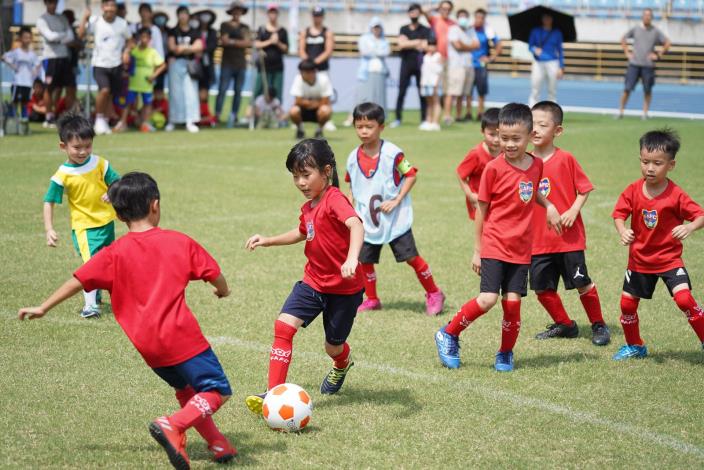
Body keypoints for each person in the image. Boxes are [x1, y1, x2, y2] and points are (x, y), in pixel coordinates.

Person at [20, 172, 237, 468]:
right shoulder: (178, 242)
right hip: (180, 337)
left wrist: (44, 307)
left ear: (119, 215)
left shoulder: (113, 253)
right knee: (217, 390)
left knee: (186, 390)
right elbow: (214, 275)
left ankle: (218, 443)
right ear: (155, 205)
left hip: (148, 347)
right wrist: (222, 291)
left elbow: (78, 280)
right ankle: (172, 425)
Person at [434, 103, 562, 372]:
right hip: (494, 243)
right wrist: (477, 249)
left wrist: (549, 206)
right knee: (488, 299)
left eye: (516, 139)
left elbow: (530, 191)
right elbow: (481, 209)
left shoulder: (536, 164)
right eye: (504, 138)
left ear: (529, 136)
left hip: (521, 248)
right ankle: (449, 333)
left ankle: (505, 353)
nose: (509, 144)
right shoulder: (493, 168)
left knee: (513, 305)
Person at [244, 139, 365, 414]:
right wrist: (269, 239)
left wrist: (351, 258)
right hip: (313, 282)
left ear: (326, 171)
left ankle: (341, 364)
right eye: (295, 176)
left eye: (306, 175)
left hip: (344, 290)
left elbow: (355, 224)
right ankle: (272, 395)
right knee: (283, 327)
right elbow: (302, 232)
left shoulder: (334, 199)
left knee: (333, 347)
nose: (300, 182)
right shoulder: (309, 207)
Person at [611, 129, 704, 360]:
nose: (650, 168)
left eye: (657, 163)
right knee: (627, 305)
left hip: (669, 260)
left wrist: (690, 227)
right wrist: (623, 230)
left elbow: (700, 215)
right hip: (639, 261)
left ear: (671, 165)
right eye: (645, 162)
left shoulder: (676, 195)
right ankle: (635, 346)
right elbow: (619, 214)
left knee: (684, 299)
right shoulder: (633, 190)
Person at [346, 102, 445, 315]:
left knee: (411, 258)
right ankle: (372, 299)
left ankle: (434, 293)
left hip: (395, 218)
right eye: (359, 126)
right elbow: (352, 185)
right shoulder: (352, 157)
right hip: (368, 221)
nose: (363, 131)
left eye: (369, 126)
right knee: (365, 261)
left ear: (381, 127)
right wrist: (350, 209)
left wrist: (397, 199)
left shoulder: (393, 154)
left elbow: (411, 175)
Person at [529, 101, 610, 346]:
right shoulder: (524, 162)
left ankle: (598, 324)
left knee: (581, 282)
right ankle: (565, 324)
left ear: (558, 131)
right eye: (531, 123)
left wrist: (573, 210)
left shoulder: (566, 159)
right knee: (542, 289)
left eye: (542, 125)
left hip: (568, 239)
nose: (535, 129)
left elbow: (584, 189)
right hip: (536, 241)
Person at [43, 114, 120, 318]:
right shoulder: (62, 174)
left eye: (87, 146)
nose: (83, 152)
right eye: (77, 147)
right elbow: (48, 201)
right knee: (91, 265)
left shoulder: (100, 164)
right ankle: (90, 306)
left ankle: (96, 297)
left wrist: (112, 191)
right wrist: (49, 228)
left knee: (106, 262)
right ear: (63, 146)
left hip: (106, 222)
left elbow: (118, 182)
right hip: (85, 227)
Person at [78, 0, 132, 135]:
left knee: (111, 94)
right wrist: (84, 18)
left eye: (112, 6)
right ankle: (98, 119)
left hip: (116, 64)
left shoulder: (122, 23)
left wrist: (126, 51)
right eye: (107, 5)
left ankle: (105, 122)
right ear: (102, 7)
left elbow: (131, 41)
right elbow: (80, 34)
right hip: (99, 63)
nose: (110, 8)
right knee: (104, 90)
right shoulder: (95, 21)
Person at [618, 9, 670, 120]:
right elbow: (623, 39)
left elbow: (667, 43)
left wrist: (658, 55)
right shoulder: (636, 29)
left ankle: (644, 113)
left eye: (649, 15)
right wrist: (627, 52)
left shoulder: (656, 31)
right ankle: (620, 111)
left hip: (648, 66)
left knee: (647, 90)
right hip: (634, 64)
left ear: (652, 17)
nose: (647, 17)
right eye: (645, 15)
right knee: (627, 89)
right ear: (642, 16)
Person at [116, 27, 166, 132]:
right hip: (133, 83)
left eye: (147, 37)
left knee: (147, 104)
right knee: (128, 103)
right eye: (142, 37)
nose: (144, 39)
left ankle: (145, 124)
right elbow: (125, 61)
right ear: (138, 38)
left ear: (150, 39)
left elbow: (162, 65)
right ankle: (123, 123)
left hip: (146, 84)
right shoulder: (133, 51)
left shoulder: (152, 52)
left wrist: (153, 76)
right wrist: (127, 51)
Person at [36, 0, 77, 128]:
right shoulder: (42, 19)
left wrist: (59, 38)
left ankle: (69, 117)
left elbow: (70, 36)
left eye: (54, 2)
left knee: (70, 87)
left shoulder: (62, 18)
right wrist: (62, 37)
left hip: (64, 57)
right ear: (45, 3)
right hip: (51, 57)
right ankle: (49, 117)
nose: (52, 5)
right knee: (49, 88)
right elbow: (50, 36)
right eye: (50, 2)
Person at [456, 107, 501, 221]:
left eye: (500, 134)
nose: (496, 139)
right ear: (482, 132)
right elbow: (460, 174)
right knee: (485, 234)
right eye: (491, 134)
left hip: (499, 200)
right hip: (480, 202)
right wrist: (470, 195)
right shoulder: (476, 154)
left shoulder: (506, 152)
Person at [391, 3, 430, 128]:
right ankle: (398, 118)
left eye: (416, 12)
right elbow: (401, 45)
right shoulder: (403, 28)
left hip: (420, 64)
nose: (414, 14)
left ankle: (424, 119)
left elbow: (425, 45)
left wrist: (409, 42)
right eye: (412, 12)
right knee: (401, 91)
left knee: (422, 93)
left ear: (420, 14)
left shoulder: (425, 29)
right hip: (406, 63)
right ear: (409, 14)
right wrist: (417, 42)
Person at [165, 5, 203, 133]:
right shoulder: (173, 31)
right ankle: (173, 120)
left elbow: (199, 46)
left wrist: (184, 48)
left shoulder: (194, 31)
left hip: (190, 64)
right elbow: (172, 48)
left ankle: (190, 121)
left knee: (191, 92)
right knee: (175, 93)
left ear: (188, 15)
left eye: (185, 13)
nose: (183, 16)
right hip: (175, 64)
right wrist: (188, 47)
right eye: (180, 13)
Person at [216, 1, 251, 127]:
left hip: (241, 64)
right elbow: (224, 41)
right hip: (227, 63)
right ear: (231, 12)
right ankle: (217, 115)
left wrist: (232, 41)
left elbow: (247, 43)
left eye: (239, 10)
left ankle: (234, 115)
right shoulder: (225, 25)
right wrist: (238, 42)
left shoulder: (245, 27)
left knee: (238, 91)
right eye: (235, 10)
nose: (237, 12)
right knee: (222, 90)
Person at [423, 1, 456, 124]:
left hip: (450, 60)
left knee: (448, 89)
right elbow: (424, 10)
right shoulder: (435, 20)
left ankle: (446, 116)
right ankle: (432, 119)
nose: (445, 11)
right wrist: (436, 7)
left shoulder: (454, 24)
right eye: (443, 8)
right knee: (434, 91)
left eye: (448, 9)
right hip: (436, 59)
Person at [2, 26, 42, 122]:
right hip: (18, 82)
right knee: (15, 102)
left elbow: (38, 64)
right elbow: (4, 57)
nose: (27, 40)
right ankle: (13, 120)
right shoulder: (16, 52)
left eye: (29, 37)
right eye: (25, 37)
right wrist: (13, 66)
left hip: (27, 83)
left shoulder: (32, 54)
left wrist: (34, 73)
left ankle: (24, 121)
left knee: (25, 103)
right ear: (20, 38)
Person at [468, 8, 501, 122]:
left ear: (484, 19)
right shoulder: (469, 29)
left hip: (481, 64)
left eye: (481, 18)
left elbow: (498, 44)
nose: (479, 20)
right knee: (468, 91)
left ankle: (480, 113)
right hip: (468, 64)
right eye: (477, 17)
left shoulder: (488, 31)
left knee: (481, 91)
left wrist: (491, 58)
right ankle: (468, 113)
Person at [446, 9, 478, 124]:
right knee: (452, 92)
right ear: (457, 18)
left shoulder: (471, 30)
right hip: (456, 65)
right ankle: (447, 115)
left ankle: (459, 116)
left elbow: (477, 45)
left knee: (463, 93)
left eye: (465, 16)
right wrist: (469, 46)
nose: (463, 18)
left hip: (468, 64)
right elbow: (457, 46)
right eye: (461, 16)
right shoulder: (453, 29)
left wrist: (465, 45)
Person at [289, 59, 333, 139]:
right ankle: (300, 130)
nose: (301, 74)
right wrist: (316, 103)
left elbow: (326, 101)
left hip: (319, 111)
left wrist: (306, 102)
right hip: (303, 111)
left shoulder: (324, 79)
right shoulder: (298, 79)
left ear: (313, 72)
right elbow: (298, 101)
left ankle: (319, 131)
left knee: (326, 110)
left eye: (303, 72)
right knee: (293, 111)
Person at [254, 4, 289, 102]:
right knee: (259, 90)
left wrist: (277, 42)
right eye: (271, 12)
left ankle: (277, 115)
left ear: (277, 14)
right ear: (268, 14)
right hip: (263, 66)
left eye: (274, 13)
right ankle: (253, 114)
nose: (272, 15)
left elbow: (286, 49)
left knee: (277, 93)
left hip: (277, 67)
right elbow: (256, 44)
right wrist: (270, 41)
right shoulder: (262, 29)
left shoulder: (282, 31)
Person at [354, 17, 390, 112]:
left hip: (380, 72)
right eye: (374, 27)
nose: (376, 30)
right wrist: (377, 51)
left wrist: (373, 51)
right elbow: (364, 52)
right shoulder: (364, 38)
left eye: (378, 27)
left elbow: (386, 52)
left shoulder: (384, 40)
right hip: (367, 72)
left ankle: (380, 116)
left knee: (379, 96)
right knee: (364, 96)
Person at [528, 13, 564, 107]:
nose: (547, 19)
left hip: (553, 62)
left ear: (552, 19)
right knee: (535, 87)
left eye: (549, 17)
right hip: (538, 62)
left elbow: (560, 50)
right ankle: (532, 109)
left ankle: (553, 110)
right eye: (545, 17)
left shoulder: (557, 33)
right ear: (542, 19)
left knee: (552, 89)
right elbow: (530, 46)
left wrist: (561, 67)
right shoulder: (535, 31)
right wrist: (535, 50)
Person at [194, 10, 218, 125]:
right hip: (196, 66)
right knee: (196, 91)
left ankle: (204, 114)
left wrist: (201, 50)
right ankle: (196, 114)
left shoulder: (212, 32)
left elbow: (213, 46)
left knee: (205, 92)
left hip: (208, 67)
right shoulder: (196, 31)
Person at [298, 6, 334, 77]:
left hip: (322, 70)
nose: (317, 18)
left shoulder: (327, 32)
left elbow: (328, 52)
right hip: (307, 70)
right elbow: (301, 50)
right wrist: (308, 63)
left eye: (319, 16)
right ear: (312, 16)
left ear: (323, 17)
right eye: (315, 15)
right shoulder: (305, 32)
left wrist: (314, 62)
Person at [418, 39, 442, 131]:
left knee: (436, 101)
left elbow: (439, 71)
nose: (431, 48)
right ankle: (429, 121)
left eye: (433, 45)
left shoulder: (438, 56)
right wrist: (422, 83)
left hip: (434, 82)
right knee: (429, 103)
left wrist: (436, 83)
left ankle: (436, 123)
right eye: (430, 45)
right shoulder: (426, 57)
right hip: (426, 82)